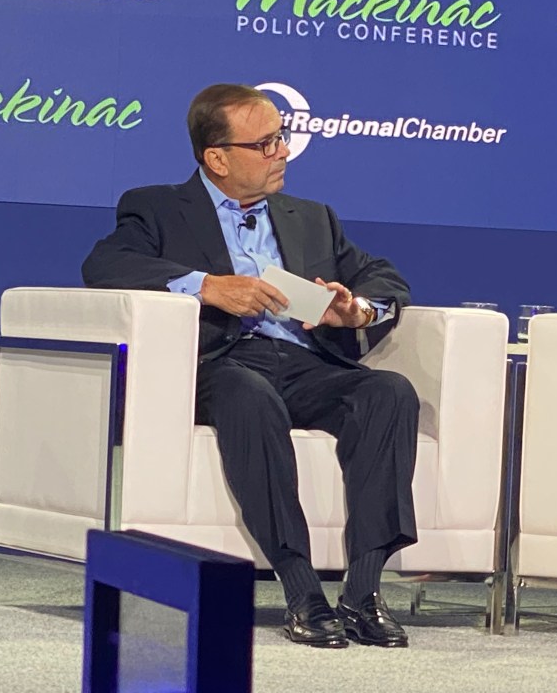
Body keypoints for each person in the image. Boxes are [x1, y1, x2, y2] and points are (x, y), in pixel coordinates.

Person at [83, 83, 419, 649]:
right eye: (265, 144)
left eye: (281, 138)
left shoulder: (311, 217)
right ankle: (302, 590)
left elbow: (385, 279)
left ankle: (363, 592)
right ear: (217, 158)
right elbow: (106, 265)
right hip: (221, 363)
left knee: (389, 392)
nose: (282, 151)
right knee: (249, 393)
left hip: (305, 362)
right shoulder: (158, 207)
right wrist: (208, 286)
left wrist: (356, 309)